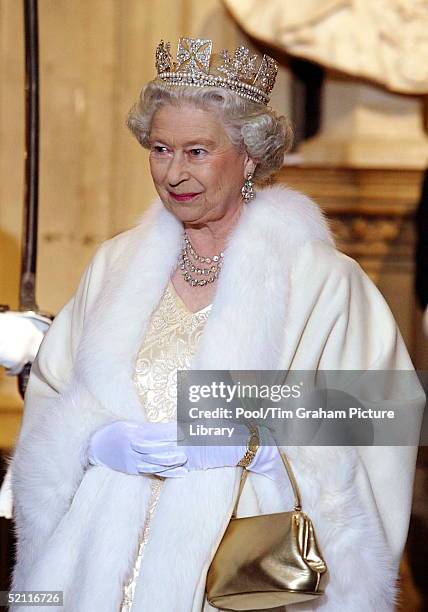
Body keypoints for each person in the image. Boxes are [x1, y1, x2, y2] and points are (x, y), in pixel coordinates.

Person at [8, 37, 424, 612]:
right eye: (160, 148)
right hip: (97, 571)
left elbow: (383, 419)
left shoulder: (321, 281)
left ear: (249, 156)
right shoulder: (116, 264)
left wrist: (260, 446)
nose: (174, 172)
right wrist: (95, 442)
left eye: (197, 151)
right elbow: (55, 394)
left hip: (241, 575)